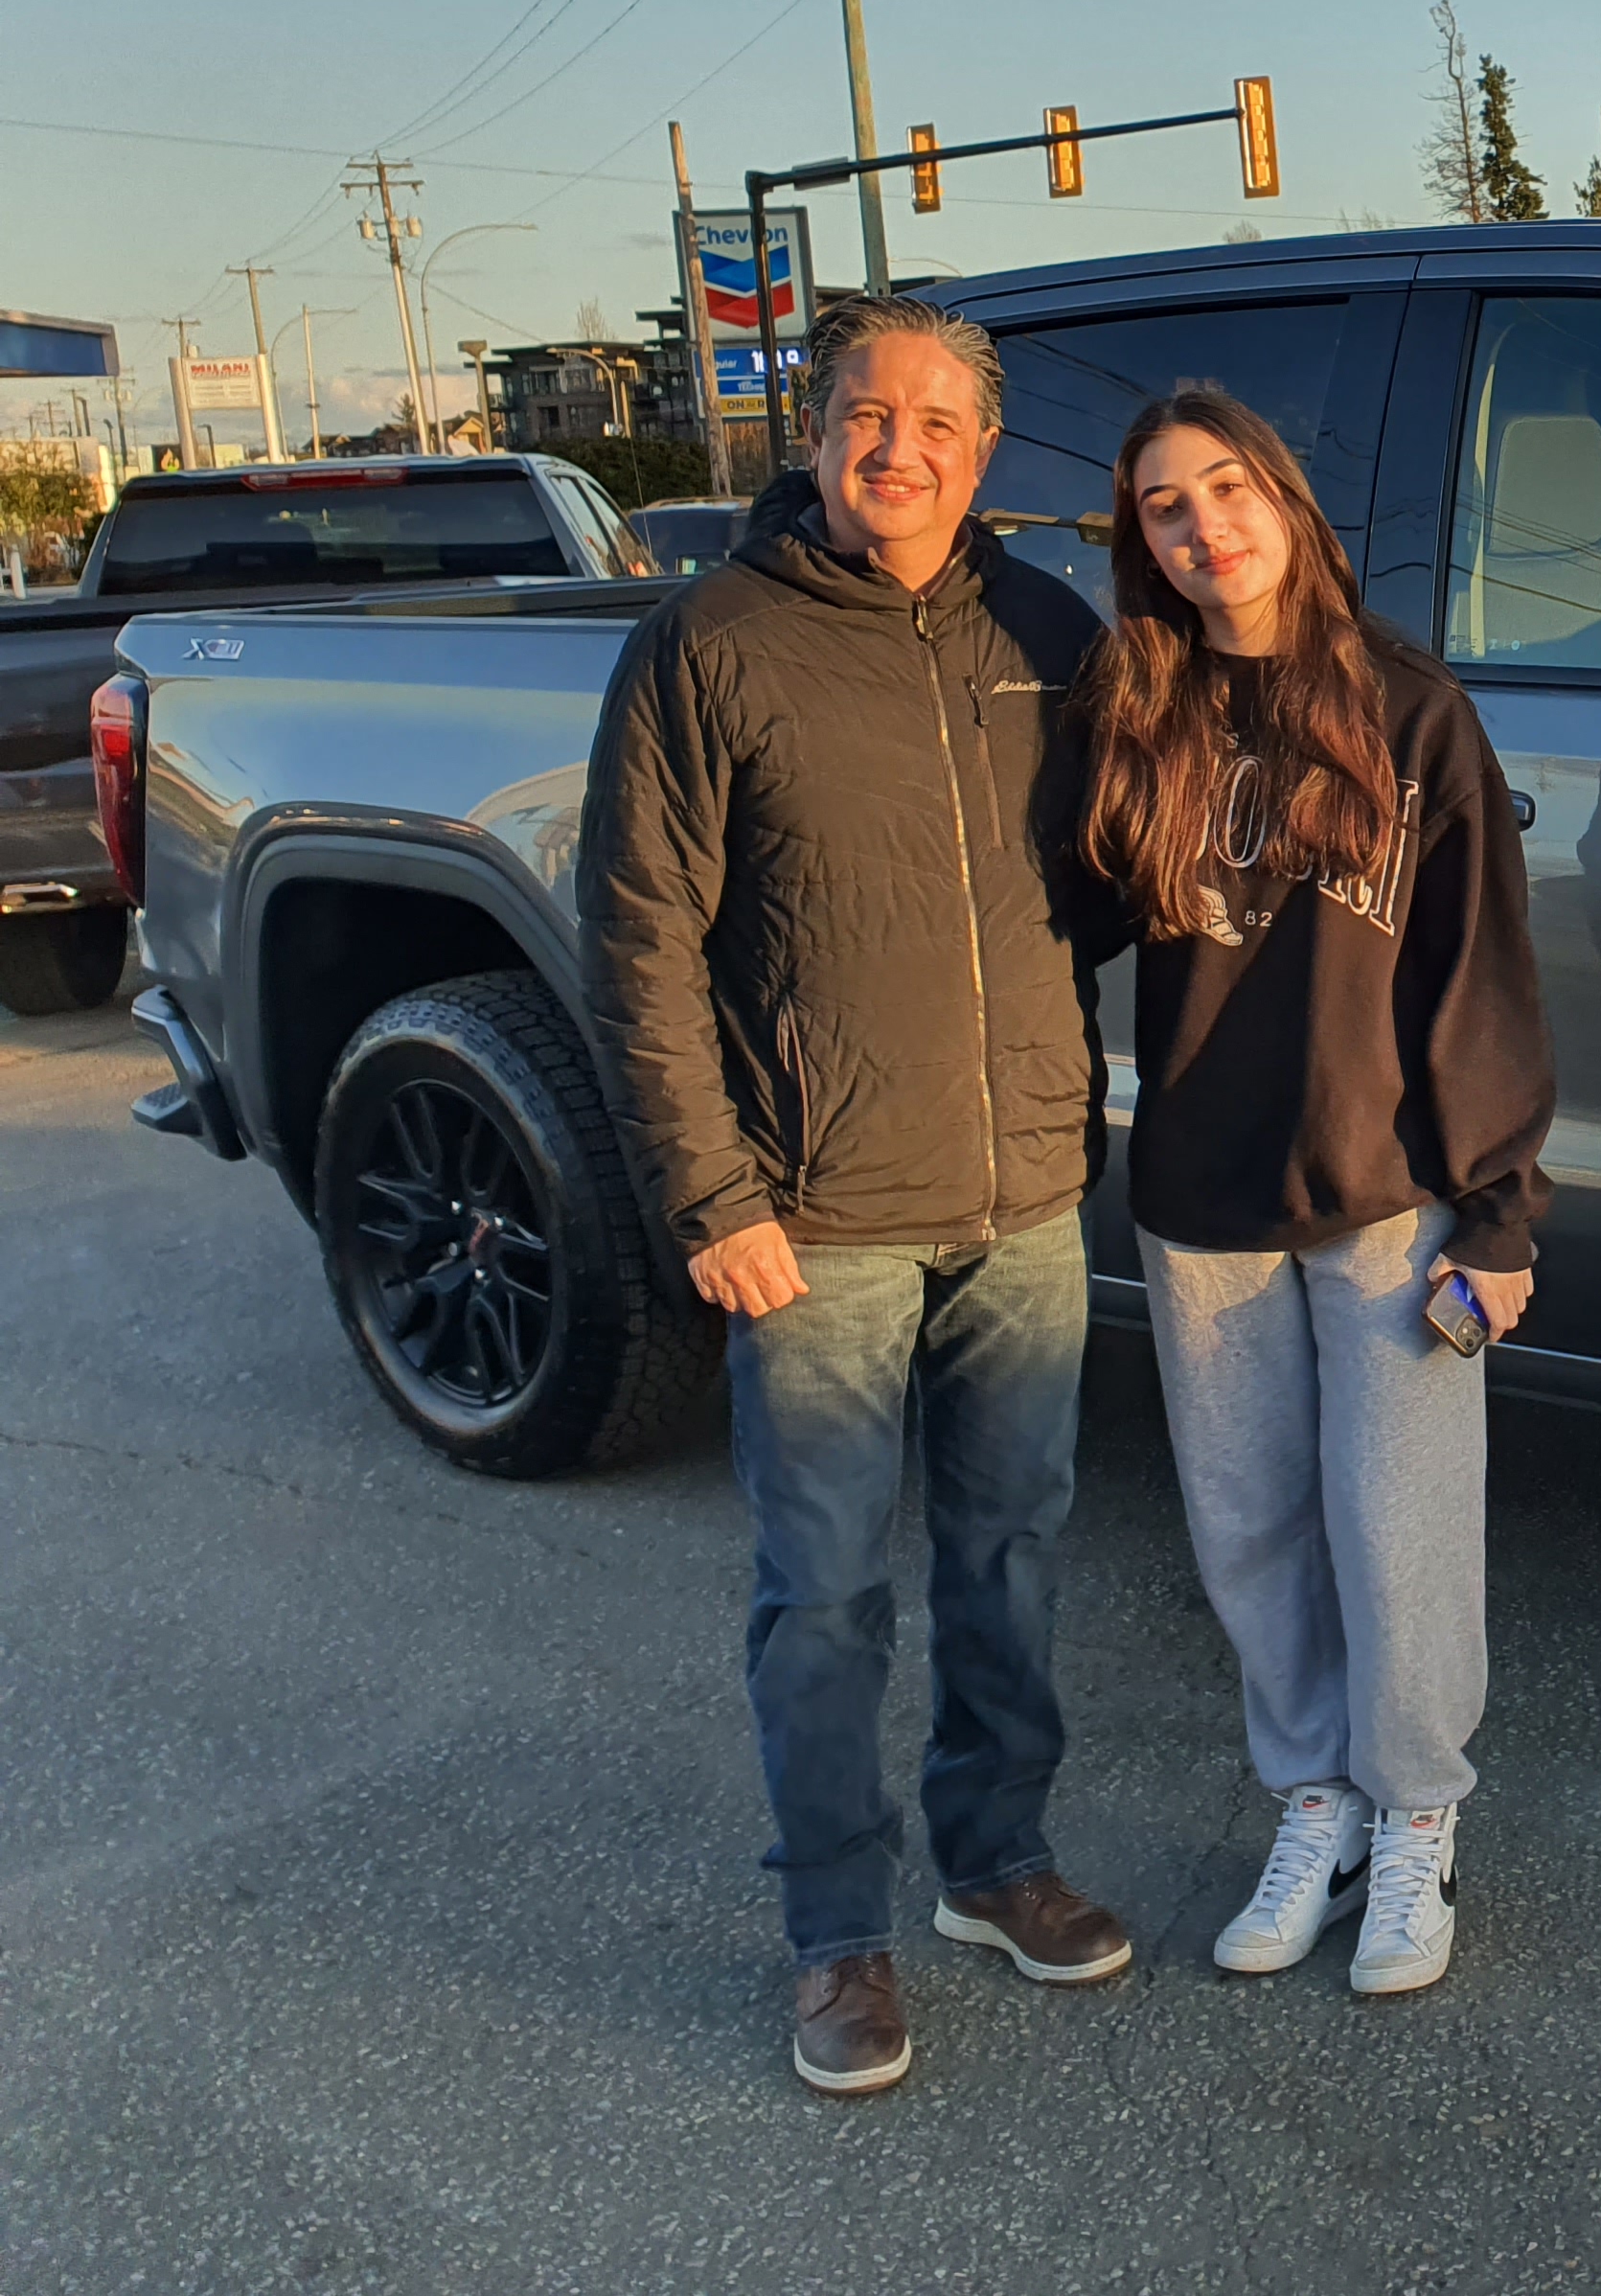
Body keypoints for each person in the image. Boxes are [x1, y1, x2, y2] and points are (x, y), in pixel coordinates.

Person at [578, 294, 1130, 2098]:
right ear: (813, 434)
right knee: (822, 1594)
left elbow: (1101, 888)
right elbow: (640, 950)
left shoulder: (1048, 633)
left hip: (1024, 1199)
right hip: (812, 1220)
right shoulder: (708, 644)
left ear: (986, 451)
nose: (901, 448)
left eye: (938, 422)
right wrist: (711, 1198)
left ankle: (995, 1859)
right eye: (868, 416)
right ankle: (837, 1933)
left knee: (1011, 1554)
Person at [1078, 388, 1551, 2000]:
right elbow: (1045, 910)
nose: (1205, 528)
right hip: (1199, 1194)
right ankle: (1315, 1801)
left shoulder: (1412, 713)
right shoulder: (1135, 711)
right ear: (1139, 542)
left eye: (1228, 489)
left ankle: (1416, 1814)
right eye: (1165, 507)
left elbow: (1479, 975)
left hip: (1384, 1194)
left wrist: (1499, 1212)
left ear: (1284, 499)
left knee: (1397, 1525)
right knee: (1251, 1528)